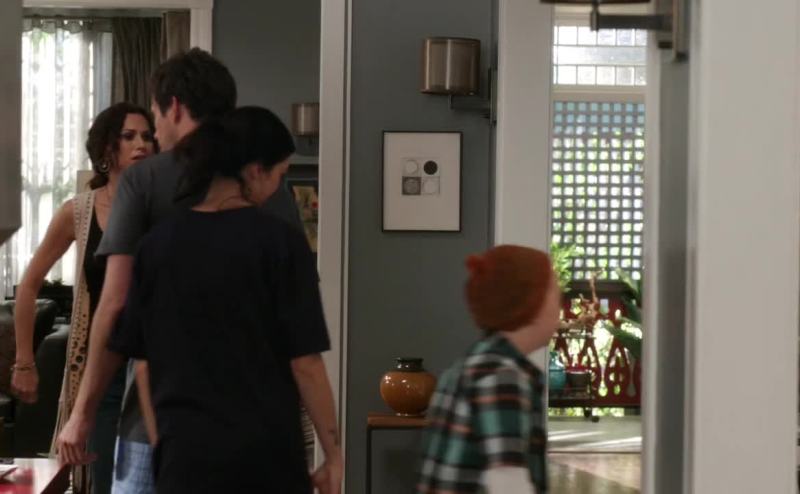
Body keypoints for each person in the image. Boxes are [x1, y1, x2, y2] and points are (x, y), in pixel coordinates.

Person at [56, 48, 304, 493]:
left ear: (174, 107)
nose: (154, 132)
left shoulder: (144, 180)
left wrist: (82, 412)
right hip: (254, 427)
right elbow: (295, 317)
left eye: (154, 116)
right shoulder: (266, 183)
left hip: (156, 424)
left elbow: (115, 302)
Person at [106, 106, 341, 493]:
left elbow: (144, 366)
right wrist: (332, 455)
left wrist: (165, 444)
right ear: (255, 171)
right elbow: (306, 364)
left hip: (185, 457)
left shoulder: (157, 246)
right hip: (266, 457)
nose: (278, 188)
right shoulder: (280, 243)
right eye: (279, 175)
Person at [12, 102, 157, 494]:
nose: (141, 144)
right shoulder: (79, 211)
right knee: (106, 478)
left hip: (155, 363)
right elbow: (29, 284)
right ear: (107, 148)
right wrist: (24, 361)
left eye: (147, 136)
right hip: (102, 365)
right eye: (129, 136)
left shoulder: (162, 204)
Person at [416, 246, 559, 494]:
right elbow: (508, 484)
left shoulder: (474, 363)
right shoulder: (502, 377)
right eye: (556, 295)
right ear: (532, 303)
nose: (560, 307)